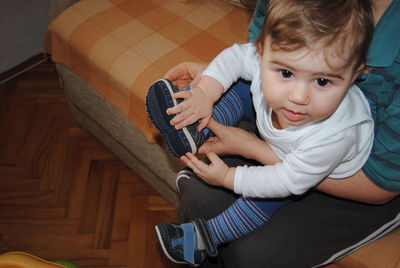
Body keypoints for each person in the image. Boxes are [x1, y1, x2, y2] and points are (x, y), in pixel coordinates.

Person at [159, 0, 400, 267]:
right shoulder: (281, 62)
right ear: (262, 51)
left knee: (264, 199)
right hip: (280, 130)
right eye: (286, 72)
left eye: (322, 81)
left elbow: (286, 179)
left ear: (356, 74)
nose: (298, 97)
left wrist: (230, 177)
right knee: (243, 89)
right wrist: (206, 90)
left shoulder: (335, 137)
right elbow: (238, 56)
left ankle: (205, 238)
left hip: (309, 168)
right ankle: (192, 128)